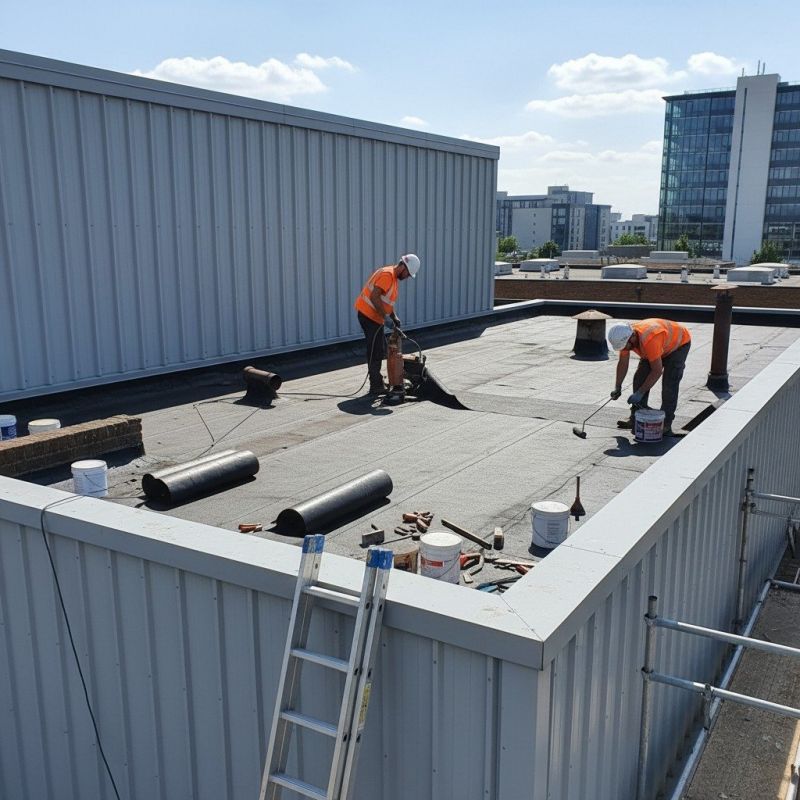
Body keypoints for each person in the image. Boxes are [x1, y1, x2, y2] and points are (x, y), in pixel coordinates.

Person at [608, 319, 692, 436]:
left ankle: (666, 424)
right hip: (657, 345)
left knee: (669, 384)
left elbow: (656, 371)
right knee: (640, 378)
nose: (625, 349)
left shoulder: (649, 339)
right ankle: (636, 418)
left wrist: (640, 393)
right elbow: (623, 363)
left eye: (625, 346)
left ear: (632, 337)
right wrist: (617, 386)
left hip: (678, 346)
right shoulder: (625, 337)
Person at [354, 254, 421, 395]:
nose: (407, 277)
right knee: (375, 351)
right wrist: (386, 318)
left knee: (380, 349)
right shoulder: (387, 275)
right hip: (368, 316)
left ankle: (377, 381)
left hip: (373, 317)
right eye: (408, 274)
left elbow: (386, 301)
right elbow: (374, 297)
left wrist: (393, 316)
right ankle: (375, 386)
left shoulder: (393, 277)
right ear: (403, 267)